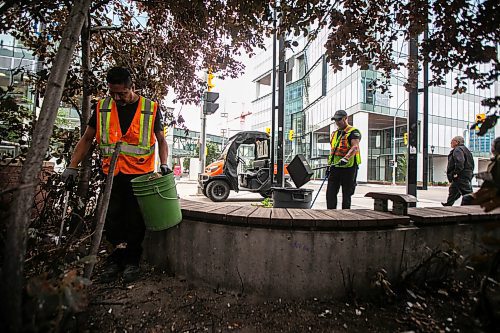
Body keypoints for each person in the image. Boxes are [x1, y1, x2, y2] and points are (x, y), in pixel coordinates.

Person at [61, 67, 171, 282]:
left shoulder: (150, 108)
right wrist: (72, 166)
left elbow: (161, 139)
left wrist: (165, 163)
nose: (117, 97)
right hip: (112, 175)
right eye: (113, 93)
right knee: (112, 219)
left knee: (135, 220)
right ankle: (115, 259)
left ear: (132, 87)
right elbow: (87, 138)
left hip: (140, 176)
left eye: (122, 93)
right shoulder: (102, 107)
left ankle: (132, 261)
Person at [326, 109, 362, 209]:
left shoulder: (353, 132)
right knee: (330, 193)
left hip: (349, 167)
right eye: (335, 120)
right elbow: (332, 152)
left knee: (347, 194)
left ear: (346, 118)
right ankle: (330, 215)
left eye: (339, 120)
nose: (337, 122)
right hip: (335, 167)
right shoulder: (334, 133)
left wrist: (346, 158)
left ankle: (345, 215)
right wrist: (329, 165)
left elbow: (355, 147)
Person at [442, 136, 474, 206]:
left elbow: (460, 162)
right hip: (466, 174)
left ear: (457, 142)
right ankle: (448, 204)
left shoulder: (458, 149)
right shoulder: (466, 150)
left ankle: (473, 206)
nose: (450, 143)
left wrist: (455, 173)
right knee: (453, 190)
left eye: (452, 141)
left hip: (461, 175)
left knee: (467, 192)